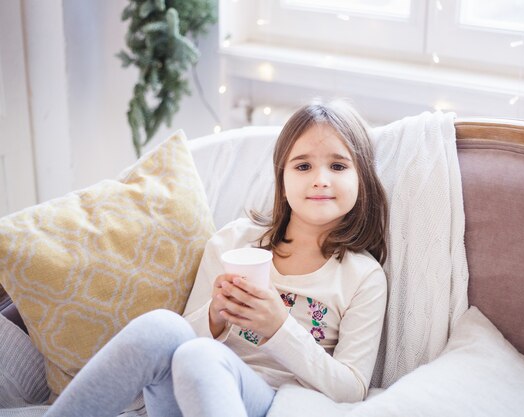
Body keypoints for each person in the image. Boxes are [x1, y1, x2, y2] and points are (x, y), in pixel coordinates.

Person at [43, 99, 389, 417]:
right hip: (189, 394)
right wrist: (214, 318)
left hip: (273, 404)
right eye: (302, 166)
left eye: (338, 166)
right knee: (163, 327)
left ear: (362, 180)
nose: (320, 180)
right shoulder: (235, 241)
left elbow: (351, 389)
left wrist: (278, 327)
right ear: (281, 180)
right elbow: (184, 346)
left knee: (201, 355)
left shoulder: (362, 276)